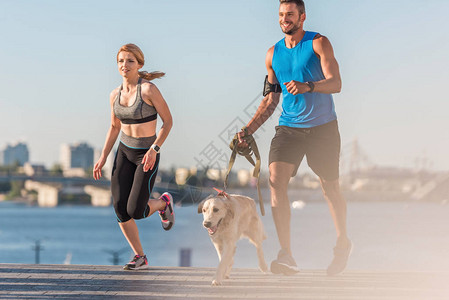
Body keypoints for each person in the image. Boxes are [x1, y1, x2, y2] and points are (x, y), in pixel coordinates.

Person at [237, 0, 352, 276]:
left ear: (302, 16)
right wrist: (247, 130)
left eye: (290, 14)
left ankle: (342, 242)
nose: (284, 19)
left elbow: (336, 83)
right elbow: (270, 100)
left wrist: (308, 86)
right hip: (289, 128)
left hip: (323, 128)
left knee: (330, 189)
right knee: (276, 180)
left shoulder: (319, 43)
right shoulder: (272, 54)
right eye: (281, 15)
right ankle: (286, 254)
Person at [93, 43, 174, 270]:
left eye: (130, 61)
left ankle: (163, 203)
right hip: (124, 153)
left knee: (136, 211)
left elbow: (168, 122)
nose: (124, 65)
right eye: (120, 61)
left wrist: (154, 149)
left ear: (139, 64)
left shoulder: (148, 90)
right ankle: (140, 257)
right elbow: (113, 127)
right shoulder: (114, 95)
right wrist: (102, 157)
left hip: (147, 154)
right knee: (120, 208)